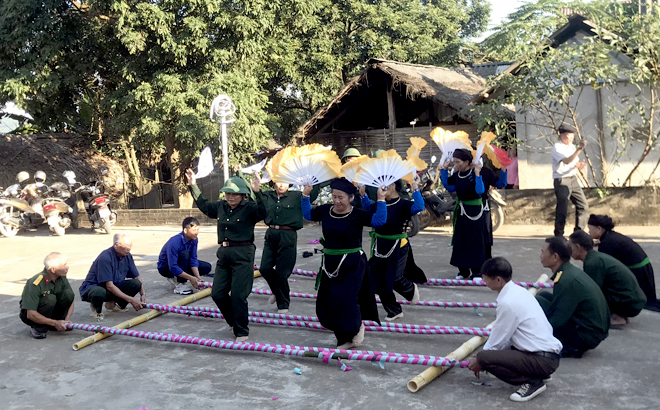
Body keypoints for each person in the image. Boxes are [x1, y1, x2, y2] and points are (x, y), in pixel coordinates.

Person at [302, 178, 386, 349]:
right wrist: (305, 195)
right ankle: (353, 326)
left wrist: (382, 199)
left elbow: (379, 221)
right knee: (328, 302)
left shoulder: (357, 214)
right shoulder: (326, 211)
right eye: (334, 197)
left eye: (341, 197)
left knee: (345, 300)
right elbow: (308, 214)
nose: (337, 201)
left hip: (353, 263)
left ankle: (348, 337)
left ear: (350, 198)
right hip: (330, 263)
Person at [186, 169, 266, 342]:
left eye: (234, 195)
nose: (230, 198)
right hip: (224, 254)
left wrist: (258, 192)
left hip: (243, 253)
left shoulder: (249, 208)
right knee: (218, 293)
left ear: (243, 195)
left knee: (238, 295)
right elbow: (205, 205)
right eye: (227, 194)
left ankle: (242, 330)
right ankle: (233, 322)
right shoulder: (221, 207)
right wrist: (193, 185)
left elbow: (263, 212)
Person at [468, 257, 561, 402]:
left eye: (485, 278)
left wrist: (479, 360)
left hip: (541, 358)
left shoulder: (508, 303)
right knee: (492, 355)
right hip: (547, 355)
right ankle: (539, 375)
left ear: (498, 280)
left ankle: (532, 382)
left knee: (485, 357)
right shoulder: (518, 291)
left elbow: (497, 340)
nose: (484, 282)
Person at [360, 179, 423, 321]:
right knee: (378, 280)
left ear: (393, 186)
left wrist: (415, 188)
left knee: (394, 278)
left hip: (398, 245)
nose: (380, 189)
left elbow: (419, 206)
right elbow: (370, 208)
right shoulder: (380, 203)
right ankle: (394, 310)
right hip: (380, 245)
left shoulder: (403, 204)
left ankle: (410, 289)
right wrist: (363, 195)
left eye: (384, 186)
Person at [536, 236, 609, 358]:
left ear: (555, 257)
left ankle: (569, 346)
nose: (540, 255)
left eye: (543, 252)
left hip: (585, 336)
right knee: (543, 295)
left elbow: (556, 319)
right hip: (591, 330)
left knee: (538, 302)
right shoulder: (567, 272)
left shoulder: (566, 281)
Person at [440, 148, 499, 279]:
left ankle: (477, 271)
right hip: (462, 211)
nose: (456, 165)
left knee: (475, 241)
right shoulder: (457, 175)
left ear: (467, 162)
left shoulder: (475, 173)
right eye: (454, 162)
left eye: (458, 162)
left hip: (476, 213)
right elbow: (449, 186)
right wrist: (444, 169)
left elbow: (479, 190)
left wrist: (477, 174)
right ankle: (463, 270)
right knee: (461, 241)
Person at [568, 230, 646, 327]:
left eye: (569, 246)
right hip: (634, 300)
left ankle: (616, 317)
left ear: (577, 247)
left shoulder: (593, 262)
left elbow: (591, 292)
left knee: (586, 300)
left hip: (630, 303)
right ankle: (617, 314)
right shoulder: (595, 258)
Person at [588, 214, 660, 312]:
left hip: (638, 271)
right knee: (648, 300)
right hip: (644, 266)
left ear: (599, 229)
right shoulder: (611, 236)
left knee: (645, 302)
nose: (589, 232)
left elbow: (603, 266)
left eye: (590, 229)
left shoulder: (606, 243)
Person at [256, 177, 303, 314]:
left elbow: (312, 194)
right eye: (278, 181)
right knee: (265, 268)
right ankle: (277, 291)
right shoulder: (267, 195)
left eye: (285, 182)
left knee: (282, 272)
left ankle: (283, 304)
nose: (281, 185)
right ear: (273, 183)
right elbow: (256, 197)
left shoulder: (296, 196)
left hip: (287, 235)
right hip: (271, 233)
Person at [79, 233, 146, 320]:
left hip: (114, 285)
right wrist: (131, 299)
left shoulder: (127, 256)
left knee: (136, 284)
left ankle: (113, 305)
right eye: (126, 245)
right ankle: (97, 310)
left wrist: (143, 294)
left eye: (130, 244)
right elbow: (109, 286)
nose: (129, 248)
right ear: (116, 245)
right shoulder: (105, 258)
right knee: (99, 292)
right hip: (96, 287)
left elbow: (137, 277)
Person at [19, 252, 75, 339]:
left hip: (51, 312)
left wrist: (66, 320)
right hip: (32, 316)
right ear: (53, 270)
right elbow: (30, 314)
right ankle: (38, 327)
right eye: (64, 265)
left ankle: (56, 324)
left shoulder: (62, 278)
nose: (67, 267)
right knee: (50, 298)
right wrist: (55, 322)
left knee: (68, 294)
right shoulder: (35, 283)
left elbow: (70, 300)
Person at [157, 217, 212, 295]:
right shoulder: (174, 243)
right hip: (166, 267)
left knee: (206, 267)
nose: (196, 232)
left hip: (183, 262)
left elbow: (193, 259)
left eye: (198, 230)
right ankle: (180, 284)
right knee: (184, 254)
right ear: (185, 230)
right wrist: (191, 278)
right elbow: (173, 266)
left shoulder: (194, 239)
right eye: (194, 230)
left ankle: (181, 277)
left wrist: (198, 278)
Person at [551, 125, 589, 237]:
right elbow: (567, 161)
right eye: (568, 137)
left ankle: (579, 233)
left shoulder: (572, 147)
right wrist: (579, 149)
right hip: (562, 180)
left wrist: (580, 165)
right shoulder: (557, 147)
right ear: (561, 136)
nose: (571, 139)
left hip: (573, 179)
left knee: (583, 205)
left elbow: (574, 163)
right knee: (562, 209)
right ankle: (559, 235)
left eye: (572, 137)